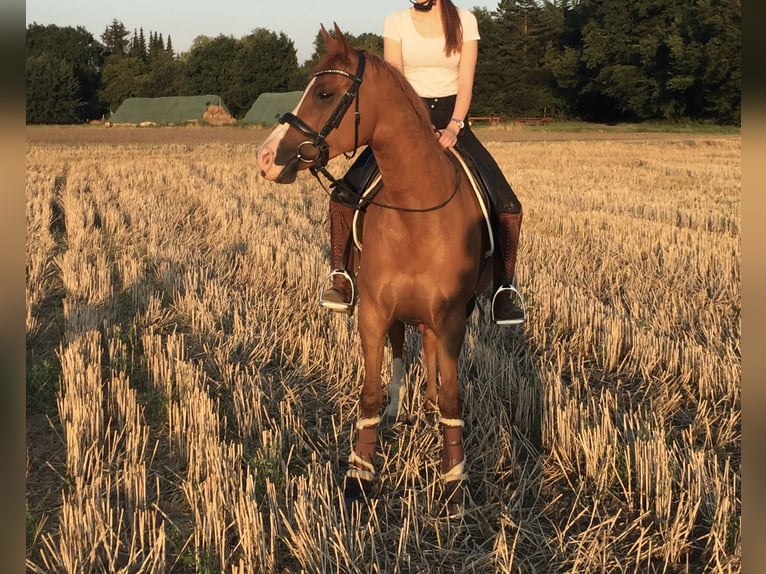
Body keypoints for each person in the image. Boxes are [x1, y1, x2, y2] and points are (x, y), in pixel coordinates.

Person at [320, 0, 525, 325]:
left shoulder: (465, 21)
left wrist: (455, 126)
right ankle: (341, 278)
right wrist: (418, 125)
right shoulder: (396, 22)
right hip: (405, 119)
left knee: (508, 204)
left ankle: (503, 290)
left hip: (454, 120)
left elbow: (465, 81)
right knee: (343, 194)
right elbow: (395, 82)